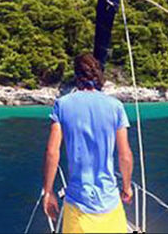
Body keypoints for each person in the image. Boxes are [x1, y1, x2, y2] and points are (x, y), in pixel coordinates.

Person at [43, 52, 133, 233]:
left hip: (77, 203)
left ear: (76, 75)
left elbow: (52, 152)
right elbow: (125, 155)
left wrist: (48, 191)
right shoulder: (115, 106)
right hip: (109, 202)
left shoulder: (62, 105)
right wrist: (127, 186)